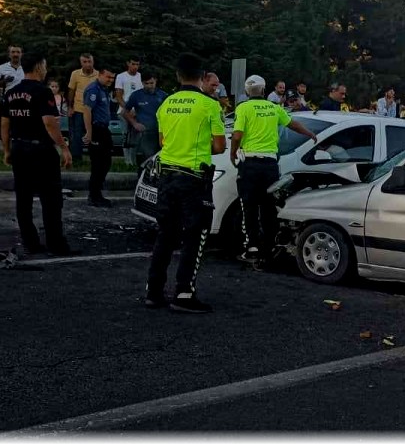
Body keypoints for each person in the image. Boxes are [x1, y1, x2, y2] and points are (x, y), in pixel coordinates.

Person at [145, 54, 226, 313]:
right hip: (194, 178)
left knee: (165, 235)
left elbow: (162, 142)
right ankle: (184, 293)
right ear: (202, 78)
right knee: (194, 236)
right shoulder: (209, 105)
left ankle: (154, 291)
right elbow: (219, 145)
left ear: (178, 76)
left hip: (167, 176)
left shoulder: (166, 103)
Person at [230, 75, 318, 266]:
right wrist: (309, 133)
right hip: (270, 165)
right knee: (268, 206)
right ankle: (269, 245)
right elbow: (292, 124)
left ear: (246, 92)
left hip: (250, 164)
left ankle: (251, 246)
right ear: (263, 91)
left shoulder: (243, 108)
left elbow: (237, 135)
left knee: (249, 205)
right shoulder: (274, 108)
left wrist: (233, 153)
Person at [0, 53, 77, 257]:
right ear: (39, 66)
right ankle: (56, 244)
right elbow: (49, 122)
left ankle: (30, 242)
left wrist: (7, 150)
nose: (46, 69)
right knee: (51, 199)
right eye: (45, 65)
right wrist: (64, 147)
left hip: (19, 148)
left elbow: (5, 124)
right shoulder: (43, 92)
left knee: (23, 199)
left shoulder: (11, 93)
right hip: (40, 150)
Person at [82, 66, 117, 208]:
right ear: (101, 74)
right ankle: (94, 196)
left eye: (112, 78)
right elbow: (87, 111)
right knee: (98, 164)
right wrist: (89, 133)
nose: (110, 80)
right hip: (96, 129)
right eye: (108, 77)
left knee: (106, 162)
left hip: (104, 130)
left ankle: (97, 193)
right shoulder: (93, 89)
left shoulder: (104, 89)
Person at [123, 72, 168, 166]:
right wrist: (135, 124)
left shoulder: (163, 96)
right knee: (147, 160)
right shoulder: (136, 95)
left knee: (161, 159)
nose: (149, 86)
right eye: (146, 83)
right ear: (142, 83)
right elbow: (125, 112)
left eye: (151, 83)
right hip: (144, 134)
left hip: (160, 132)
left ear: (155, 81)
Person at [66, 53, 97, 163]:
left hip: (94, 111)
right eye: (85, 62)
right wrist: (70, 107)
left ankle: (94, 158)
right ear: (81, 63)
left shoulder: (98, 75)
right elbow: (71, 91)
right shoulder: (75, 74)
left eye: (90, 62)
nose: (88, 64)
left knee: (94, 134)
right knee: (77, 135)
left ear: (93, 62)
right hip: (79, 109)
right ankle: (76, 159)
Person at [115, 58, 143, 166]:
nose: (135, 66)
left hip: (137, 112)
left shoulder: (140, 76)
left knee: (136, 137)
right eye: (133, 64)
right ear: (128, 64)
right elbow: (119, 96)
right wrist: (128, 109)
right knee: (126, 135)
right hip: (124, 111)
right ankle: (127, 161)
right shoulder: (121, 76)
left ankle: (134, 161)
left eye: (137, 64)